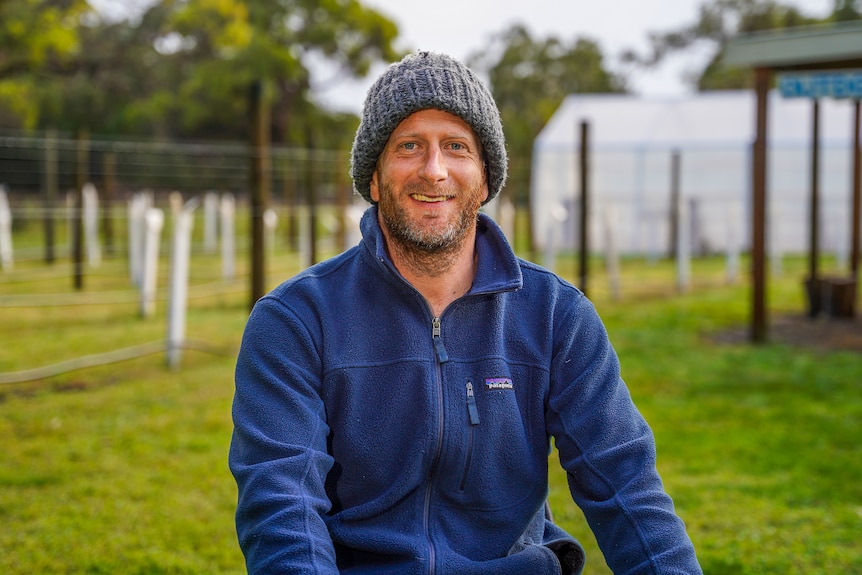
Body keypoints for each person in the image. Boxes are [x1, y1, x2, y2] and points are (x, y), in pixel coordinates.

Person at [229, 51, 702, 575]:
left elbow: (626, 485)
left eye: (456, 147)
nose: (434, 171)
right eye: (409, 146)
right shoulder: (294, 321)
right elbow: (282, 507)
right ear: (373, 178)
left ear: (484, 178)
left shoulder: (555, 316)